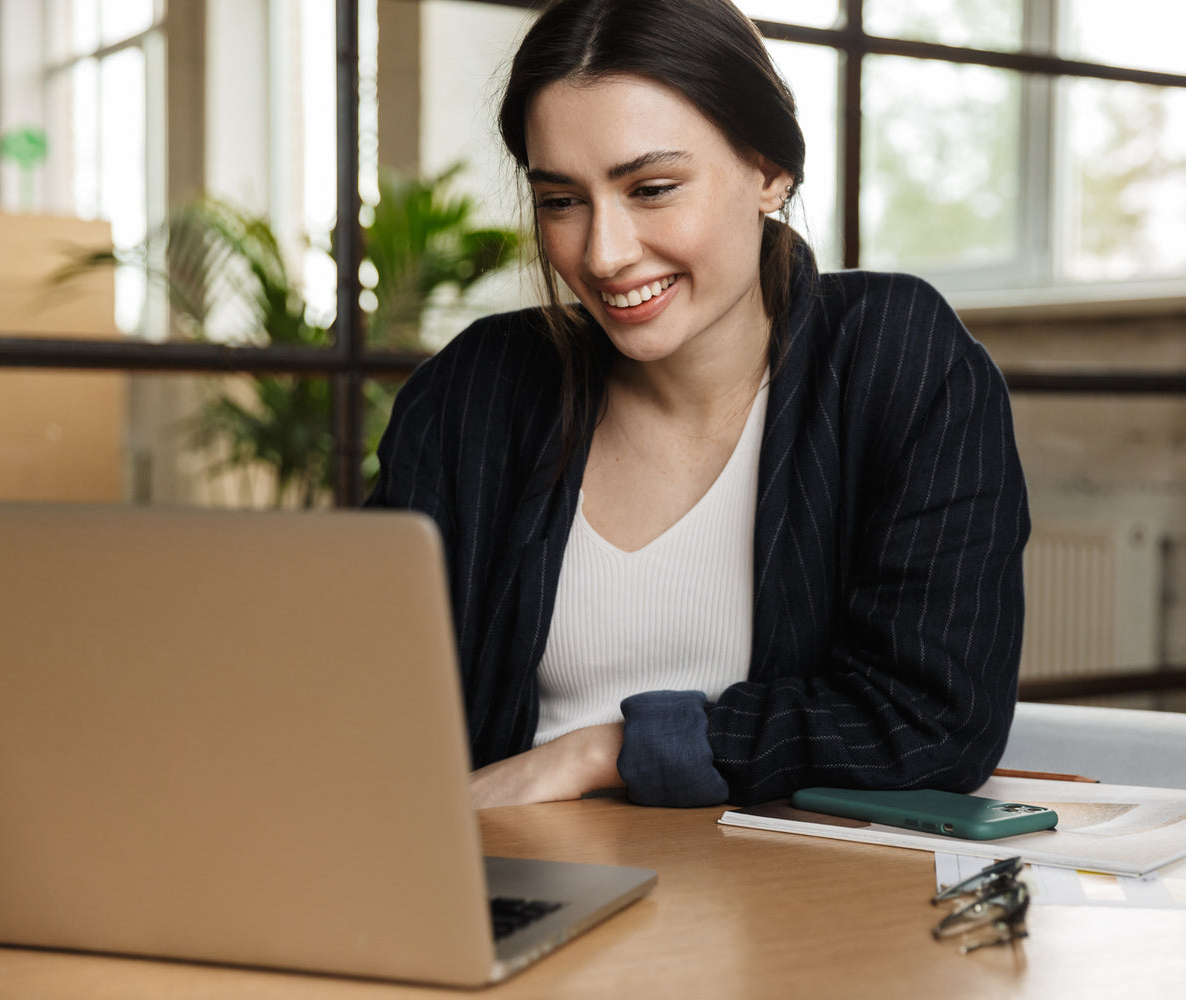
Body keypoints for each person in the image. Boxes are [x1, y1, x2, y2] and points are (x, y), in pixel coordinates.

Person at [366, 0, 1030, 809]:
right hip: (501, 887)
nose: (604, 255)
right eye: (560, 200)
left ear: (769, 170)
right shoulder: (476, 390)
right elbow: (363, 695)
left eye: (651, 188)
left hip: (780, 905)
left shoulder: (902, 362)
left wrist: (605, 752)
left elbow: (929, 721)